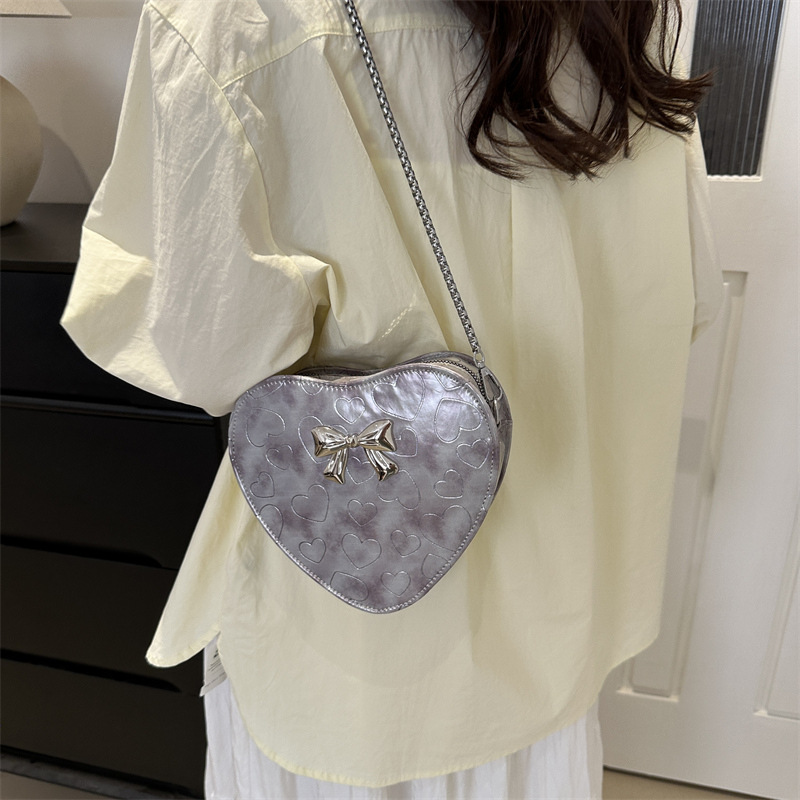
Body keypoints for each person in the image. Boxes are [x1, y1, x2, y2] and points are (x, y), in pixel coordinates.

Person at [62, 0, 722, 797]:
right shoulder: (631, 22)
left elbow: (208, 354)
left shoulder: (234, 21)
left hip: (355, 658)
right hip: (561, 613)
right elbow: (687, 296)